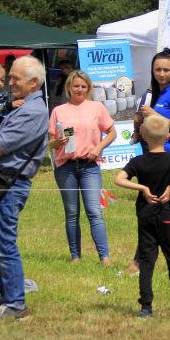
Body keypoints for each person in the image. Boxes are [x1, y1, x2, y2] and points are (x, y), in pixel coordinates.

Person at [0, 56, 49, 319]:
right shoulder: (23, 107)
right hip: (0, 182)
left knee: (4, 245)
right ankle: (6, 296)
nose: (9, 83)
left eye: (15, 78)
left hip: (9, 186)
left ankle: (16, 304)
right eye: (8, 77)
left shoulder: (34, 111)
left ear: (34, 83)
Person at [115, 115, 170, 319]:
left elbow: (119, 179)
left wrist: (142, 188)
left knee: (147, 262)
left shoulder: (138, 161)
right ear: (167, 136)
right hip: (168, 216)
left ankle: (146, 307)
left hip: (146, 216)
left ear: (143, 135)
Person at [130, 49, 170, 276]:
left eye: (166, 69)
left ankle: (143, 262)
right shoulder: (155, 92)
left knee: (161, 209)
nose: (162, 74)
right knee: (160, 208)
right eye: (158, 70)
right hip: (152, 155)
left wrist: (155, 114)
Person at [48, 70, 116, 263]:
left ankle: (104, 257)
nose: (79, 89)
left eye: (83, 86)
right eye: (76, 85)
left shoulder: (97, 107)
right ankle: (75, 257)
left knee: (94, 211)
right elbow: (51, 142)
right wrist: (57, 142)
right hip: (65, 167)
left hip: (89, 166)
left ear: (88, 88)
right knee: (71, 213)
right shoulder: (58, 111)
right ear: (69, 87)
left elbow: (112, 132)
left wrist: (99, 147)